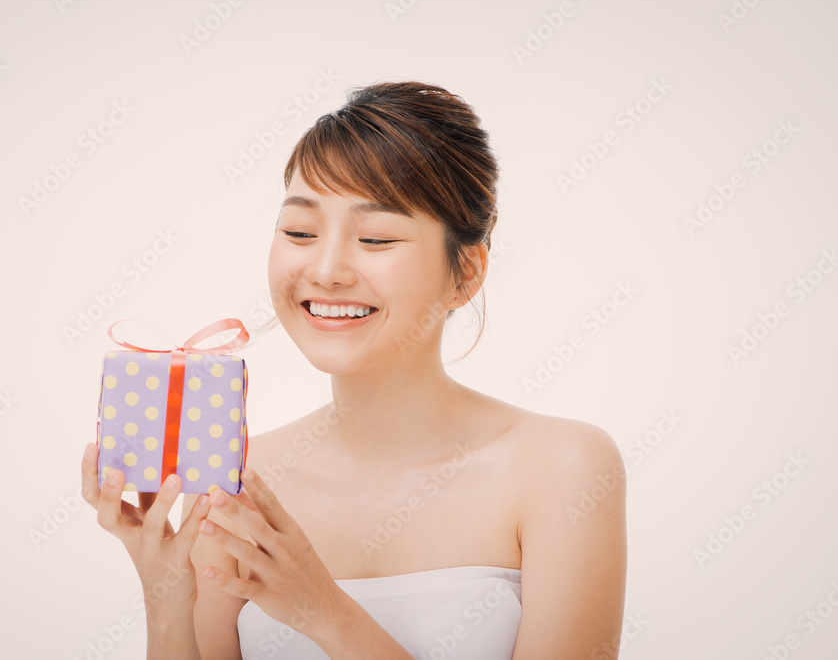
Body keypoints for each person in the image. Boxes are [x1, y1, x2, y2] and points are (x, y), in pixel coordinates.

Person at [81, 80, 627, 659]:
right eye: (299, 232)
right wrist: (163, 594)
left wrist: (326, 614)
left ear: (466, 272)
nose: (327, 269)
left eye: (375, 237)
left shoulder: (562, 468)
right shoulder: (239, 479)